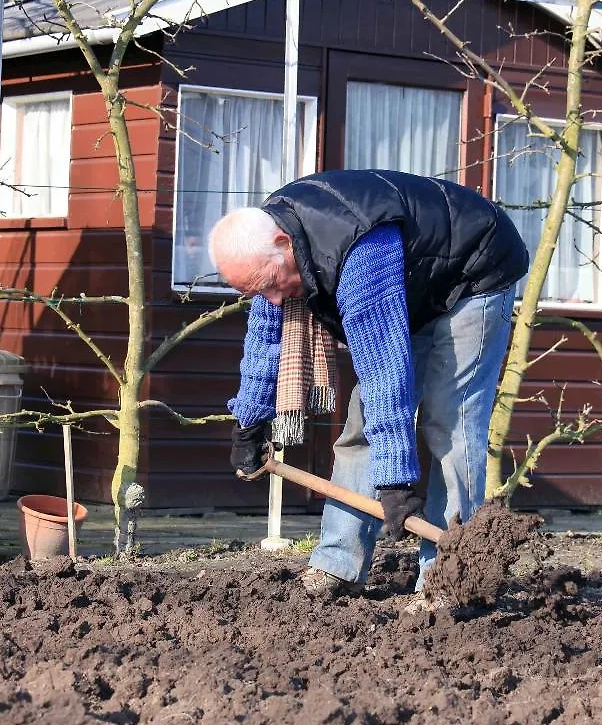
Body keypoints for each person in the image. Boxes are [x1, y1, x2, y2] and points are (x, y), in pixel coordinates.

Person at [209, 169, 529, 602]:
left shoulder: (358, 249)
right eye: (256, 292)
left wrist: (397, 482)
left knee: (449, 420)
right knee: (361, 423)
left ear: (284, 244)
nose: (273, 300)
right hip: (417, 287)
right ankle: (338, 563)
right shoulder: (270, 252)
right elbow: (268, 341)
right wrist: (250, 423)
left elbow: (385, 370)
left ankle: (450, 578)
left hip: (476, 272)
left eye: (270, 286)